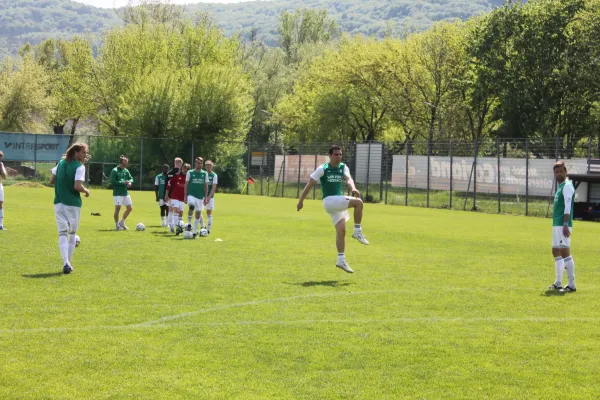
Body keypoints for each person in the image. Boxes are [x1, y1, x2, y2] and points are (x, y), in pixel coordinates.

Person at [297, 145, 369, 273]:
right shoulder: (323, 168)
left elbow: (349, 179)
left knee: (341, 230)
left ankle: (341, 260)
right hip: (329, 201)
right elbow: (309, 184)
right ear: (329, 156)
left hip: (338, 202)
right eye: (336, 154)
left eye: (340, 154)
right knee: (358, 203)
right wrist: (301, 201)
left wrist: (353, 188)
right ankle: (357, 231)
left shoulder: (343, 167)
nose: (339, 157)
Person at [50, 143, 90, 274]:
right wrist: (86, 191)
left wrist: (62, 184)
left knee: (62, 233)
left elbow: (51, 180)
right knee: (72, 233)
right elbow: (77, 186)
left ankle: (66, 262)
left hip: (59, 202)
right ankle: (68, 263)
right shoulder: (80, 167)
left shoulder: (60, 163)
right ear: (76, 153)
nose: (85, 155)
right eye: (84, 152)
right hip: (72, 203)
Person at [548, 160, 577, 293]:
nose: (559, 174)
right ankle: (558, 282)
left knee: (565, 251)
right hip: (557, 224)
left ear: (566, 171)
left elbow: (567, 207)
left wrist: (565, 224)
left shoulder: (567, 186)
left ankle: (571, 285)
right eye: (557, 171)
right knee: (555, 251)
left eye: (561, 171)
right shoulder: (561, 186)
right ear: (554, 173)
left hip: (563, 225)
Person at [184, 157, 209, 237]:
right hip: (191, 195)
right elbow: (186, 184)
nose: (199, 164)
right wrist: (185, 195)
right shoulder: (190, 172)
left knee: (198, 214)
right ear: (195, 163)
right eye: (198, 163)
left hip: (200, 196)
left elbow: (206, 186)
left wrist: (206, 197)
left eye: (201, 163)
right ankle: (189, 224)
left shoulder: (205, 173)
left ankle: (194, 231)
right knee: (191, 206)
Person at [165, 162, 190, 235]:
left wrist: (187, 197)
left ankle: (173, 225)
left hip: (182, 198)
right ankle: (177, 228)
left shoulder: (188, 178)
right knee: (176, 210)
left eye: (188, 169)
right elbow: (169, 185)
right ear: (182, 168)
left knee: (180, 214)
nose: (186, 170)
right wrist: (166, 195)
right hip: (174, 197)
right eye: (185, 168)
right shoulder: (176, 176)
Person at [111, 155, 134, 231]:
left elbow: (131, 178)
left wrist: (130, 182)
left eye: (127, 163)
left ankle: (122, 222)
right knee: (118, 209)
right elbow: (113, 182)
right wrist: (123, 182)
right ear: (121, 162)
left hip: (125, 193)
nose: (126, 164)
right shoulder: (115, 171)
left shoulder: (126, 170)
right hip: (118, 193)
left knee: (130, 208)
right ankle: (117, 224)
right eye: (125, 163)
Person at [166, 157, 183, 231]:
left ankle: (171, 226)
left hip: (170, 194)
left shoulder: (169, 173)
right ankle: (174, 226)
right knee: (177, 210)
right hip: (176, 194)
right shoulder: (181, 173)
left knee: (170, 210)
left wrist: (165, 195)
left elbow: (166, 185)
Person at [204, 160, 218, 233]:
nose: (208, 167)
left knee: (209, 212)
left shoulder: (214, 175)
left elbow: (213, 187)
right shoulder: (203, 174)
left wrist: (208, 197)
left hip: (210, 197)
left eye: (209, 165)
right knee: (198, 211)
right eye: (206, 165)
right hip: (202, 196)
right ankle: (203, 226)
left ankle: (208, 229)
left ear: (212, 166)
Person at [0, 150, 6, 230]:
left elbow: (4, 176)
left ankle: (0, 225)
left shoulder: (1, 165)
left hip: (0, 186)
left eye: (1, 157)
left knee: (0, 204)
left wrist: (1, 168)